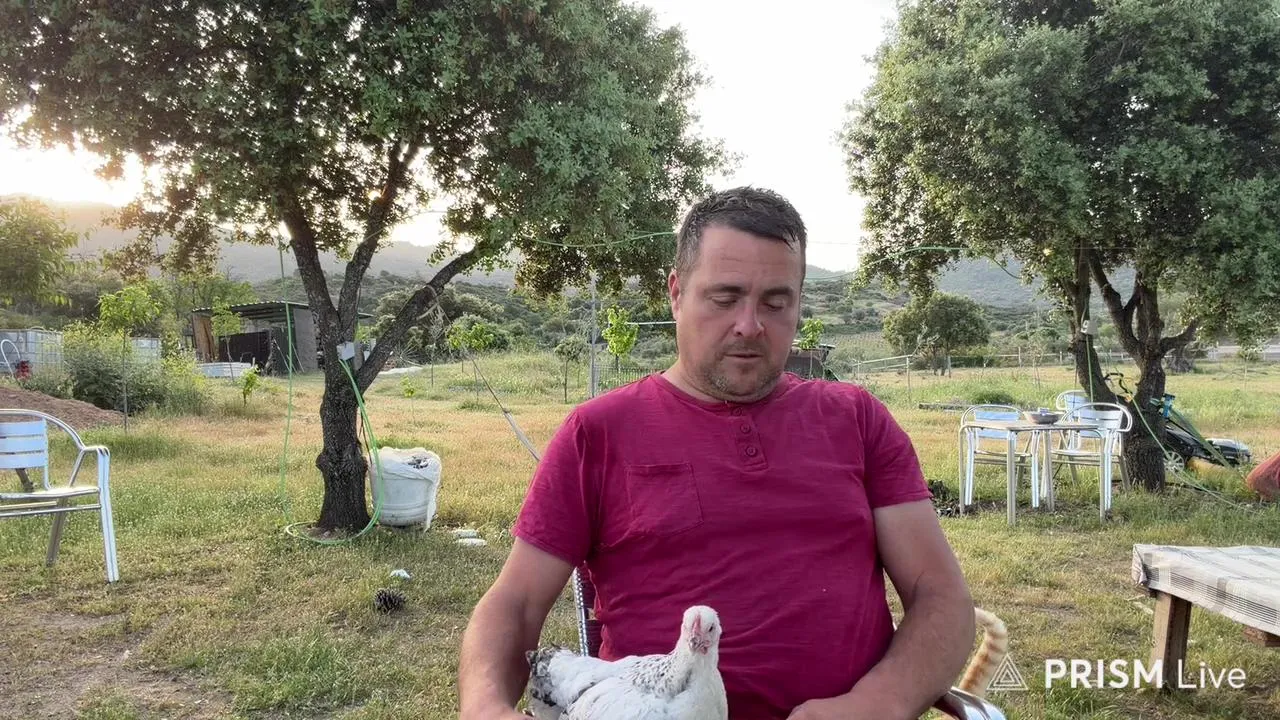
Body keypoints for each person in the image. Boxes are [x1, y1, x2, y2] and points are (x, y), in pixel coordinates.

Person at [458, 186, 976, 720]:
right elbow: (516, 603)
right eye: (725, 298)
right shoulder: (598, 433)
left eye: (775, 303)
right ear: (677, 294)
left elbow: (939, 594)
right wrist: (484, 707)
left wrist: (879, 703)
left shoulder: (856, 419)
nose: (750, 325)